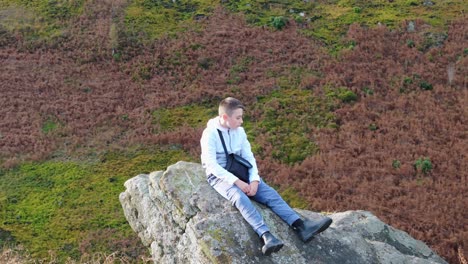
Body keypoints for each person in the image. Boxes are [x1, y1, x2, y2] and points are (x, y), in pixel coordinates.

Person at [200, 97, 332, 256]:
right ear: (225, 117)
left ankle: (301, 226)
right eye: (238, 117)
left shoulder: (239, 132)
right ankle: (266, 236)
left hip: (239, 170)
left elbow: (249, 157)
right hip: (219, 176)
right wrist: (238, 183)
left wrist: (254, 179)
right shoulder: (210, 134)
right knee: (240, 198)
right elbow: (211, 165)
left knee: (269, 193)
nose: (241, 121)